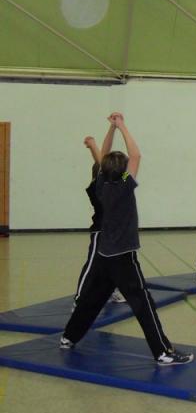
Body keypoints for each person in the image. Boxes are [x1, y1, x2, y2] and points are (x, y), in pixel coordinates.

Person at [61, 113, 193, 365]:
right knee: (144, 304)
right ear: (123, 171)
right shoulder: (124, 184)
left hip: (104, 255)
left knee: (92, 301)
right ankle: (162, 352)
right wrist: (121, 125)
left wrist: (111, 128)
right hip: (123, 257)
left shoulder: (101, 182)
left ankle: (68, 337)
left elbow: (105, 157)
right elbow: (136, 155)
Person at [73, 129, 125, 307]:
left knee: (115, 263)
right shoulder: (97, 187)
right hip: (101, 232)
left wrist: (112, 128)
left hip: (114, 233)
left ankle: (111, 291)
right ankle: (79, 299)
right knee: (93, 264)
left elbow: (106, 161)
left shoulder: (117, 183)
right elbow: (103, 162)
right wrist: (94, 145)